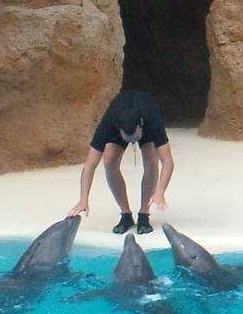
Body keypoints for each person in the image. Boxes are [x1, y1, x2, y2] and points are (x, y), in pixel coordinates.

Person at [68, 89, 175, 233]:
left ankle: (144, 214)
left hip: (146, 115)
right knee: (109, 160)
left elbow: (167, 162)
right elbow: (90, 164)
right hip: (120, 119)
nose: (132, 142)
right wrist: (83, 199)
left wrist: (160, 192)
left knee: (150, 159)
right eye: (128, 138)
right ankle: (125, 214)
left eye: (135, 137)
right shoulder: (108, 124)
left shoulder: (151, 118)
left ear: (140, 125)